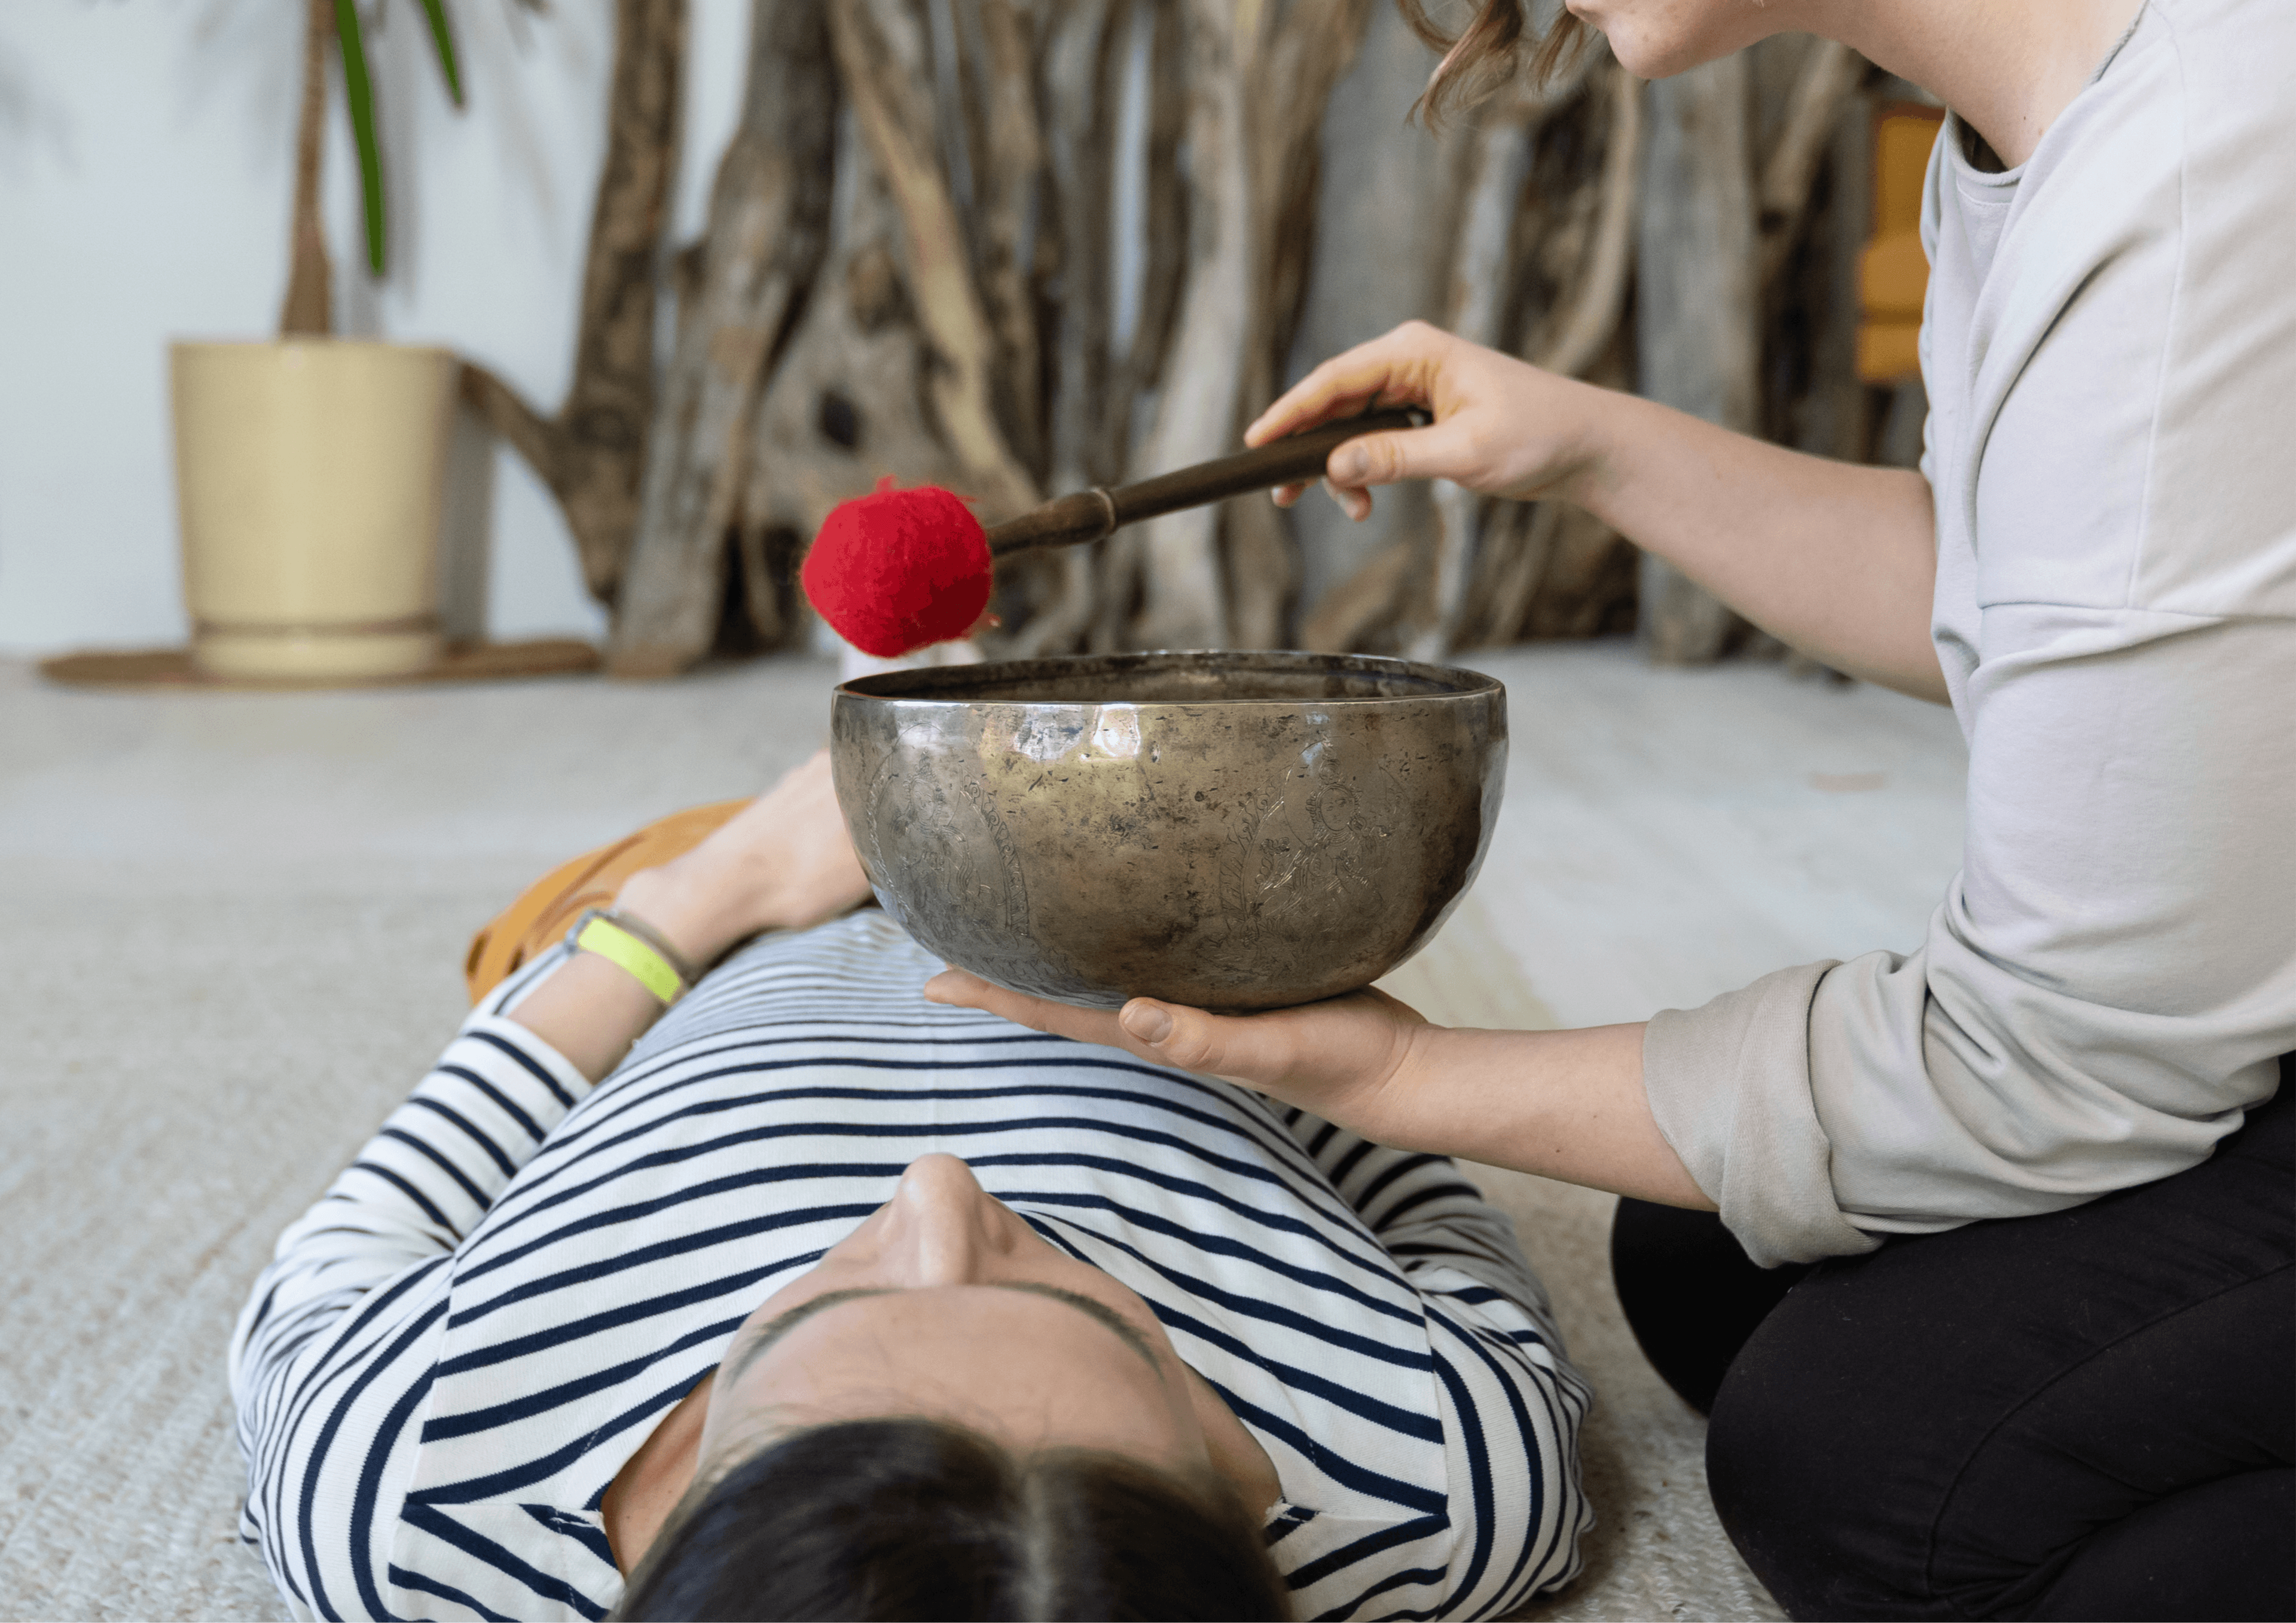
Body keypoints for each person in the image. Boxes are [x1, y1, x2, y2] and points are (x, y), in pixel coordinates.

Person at [931, 0, 2296, 1618]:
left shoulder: (2206, 178)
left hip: (2154, 1039)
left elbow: (2065, 1057)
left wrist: (1412, 1076)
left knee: (1875, 1466)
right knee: (1702, 1256)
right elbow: (2016, 590)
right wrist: (1588, 449)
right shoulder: (2042, 124)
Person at [228, 755, 1592, 1622]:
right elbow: (1420, 1186)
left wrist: (705, 894)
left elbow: (388, 1208)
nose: (938, 1194)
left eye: (811, 1307)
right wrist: (1265, 1016)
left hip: (681, 951)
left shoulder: (410, 1490)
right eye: (1102, 1310)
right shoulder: (1442, 1472)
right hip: (1140, 949)